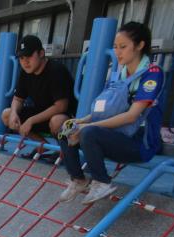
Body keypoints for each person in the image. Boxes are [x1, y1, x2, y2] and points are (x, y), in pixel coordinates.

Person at [58, 22, 164, 204]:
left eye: (123, 47)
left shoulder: (152, 74)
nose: (118, 52)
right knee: (67, 129)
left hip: (139, 144)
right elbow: (105, 112)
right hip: (114, 137)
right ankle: (78, 180)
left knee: (88, 132)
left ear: (140, 45)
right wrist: (80, 121)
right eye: (115, 47)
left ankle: (102, 182)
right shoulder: (118, 75)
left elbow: (131, 116)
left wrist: (87, 126)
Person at [1, 36, 76, 146]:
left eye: (29, 56)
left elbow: (61, 106)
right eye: (21, 58)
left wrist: (31, 120)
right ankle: (42, 146)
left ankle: (64, 150)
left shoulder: (56, 70)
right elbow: (18, 99)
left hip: (66, 117)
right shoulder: (25, 72)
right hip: (41, 115)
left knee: (57, 121)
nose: (25, 62)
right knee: (6, 114)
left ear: (41, 53)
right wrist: (13, 113)